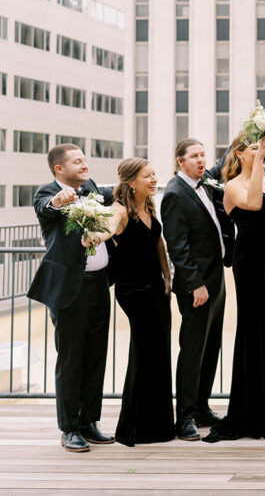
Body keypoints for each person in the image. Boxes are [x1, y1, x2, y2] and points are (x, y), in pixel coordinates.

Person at [29, 144, 116, 452]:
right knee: (71, 359)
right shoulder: (46, 192)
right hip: (69, 289)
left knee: (96, 355)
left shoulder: (91, 187)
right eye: (77, 161)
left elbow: (114, 195)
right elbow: (45, 207)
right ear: (59, 169)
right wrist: (58, 199)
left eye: (84, 160)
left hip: (99, 285)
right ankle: (69, 428)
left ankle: (90, 422)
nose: (84, 164)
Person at [84, 158, 174, 446]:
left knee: (159, 351)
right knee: (145, 352)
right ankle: (134, 429)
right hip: (133, 291)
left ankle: (159, 426)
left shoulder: (148, 205)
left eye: (154, 175)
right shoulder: (119, 210)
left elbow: (158, 241)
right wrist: (94, 236)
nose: (153, 180)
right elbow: (107, 228)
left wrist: (167, 276)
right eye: (147, 176)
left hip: (156, 288)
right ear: (131, 181)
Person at [203, 133, 265, 443]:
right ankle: (249, 412)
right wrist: (260, 159)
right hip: (251, 261)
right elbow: (254, 202)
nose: (258, 150)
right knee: (254, 330)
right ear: (239, 152)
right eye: (252, 147)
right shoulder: (233, 184)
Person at [160, 138, 234, 441]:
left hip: (217, 278)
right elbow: (178, 247)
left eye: (203, 155)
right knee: (192, 350)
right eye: (194, 156)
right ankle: (185, 416)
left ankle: (202, 406)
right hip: (197, 285)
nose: (201, 160)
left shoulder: (205, 184)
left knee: (211, 346)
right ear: (181, 161)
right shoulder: (175, 193)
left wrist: (246, 137)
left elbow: (224, 163)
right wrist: (196, 285)